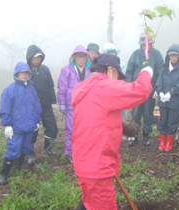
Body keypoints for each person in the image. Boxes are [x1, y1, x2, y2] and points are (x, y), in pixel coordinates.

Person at [71, 53, 153, 209]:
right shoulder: (104, 86)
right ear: (110, 71)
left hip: (84, 161)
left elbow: (94, 120)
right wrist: (146, 72)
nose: (117, 81)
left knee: (88, 201)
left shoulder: (84, 88)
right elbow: (140, 91)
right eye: (117, 75)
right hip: (97, 166)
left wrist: (116, 127)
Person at [0, 62, 42, 185]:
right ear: (16, 74)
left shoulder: (31, 89)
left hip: (28, 126)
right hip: (15, 127)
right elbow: (5, 108)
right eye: (22, 73)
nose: (25, 75)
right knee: (13, 148)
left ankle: (17, 169)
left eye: (27, 72)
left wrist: (36, 120)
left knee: (25, 148)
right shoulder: (9, 90)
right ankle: (3, 174)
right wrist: (7, 125)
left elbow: (36, 106)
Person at [125, 33, 164, 146]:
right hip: (136, 90)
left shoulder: (157, 55)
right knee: (135, 113)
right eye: (143, 44)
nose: (145, 46)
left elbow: (160, 73)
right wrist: (129, 86)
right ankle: (134, 136)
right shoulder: (135, 55)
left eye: (147, 43)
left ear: (152, 43)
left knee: (148, 114)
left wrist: (158, 88)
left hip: (150, 91)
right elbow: (129, 71)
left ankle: (146, 136)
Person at [57, 45, 92, 163]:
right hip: (72, 105)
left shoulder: (91, 70)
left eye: (83, 57)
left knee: (87, 129)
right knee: (71, 130)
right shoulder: (66, 70)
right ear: (74, 58)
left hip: (87, 105)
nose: (81, 59)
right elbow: (62, 87)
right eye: (79, 57)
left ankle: (85, 151)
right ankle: (71, 153)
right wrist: (61, 102)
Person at [26, 45, 58, 165]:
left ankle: (48, 149)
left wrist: (53, 102)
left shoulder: (45, 69)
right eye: (35, 57)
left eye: (40, 57)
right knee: (31, 130)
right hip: (31, 107)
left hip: (45, 105)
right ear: (29, 57)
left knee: (52, 128)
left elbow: (51, 86)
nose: (37, 59)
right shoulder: (25, 70)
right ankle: (31, 154)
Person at [156, 44, 179, 151]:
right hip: (163, 101)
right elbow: (159, 80)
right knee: (163, 121)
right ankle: (162, 143)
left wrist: (170, 93)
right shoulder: (164, 67)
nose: (173, 57)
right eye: (171, 55)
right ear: (168, 56)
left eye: (175, 55)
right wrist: (160, 92)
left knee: (172, 121)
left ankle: (169, 143)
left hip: (175, 102)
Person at [103, 42, 128, 121]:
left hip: (119, 92)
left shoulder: (122, 65)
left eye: (113, 52)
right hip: (106, 94)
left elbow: (123, 78)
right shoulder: (103, 65)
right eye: (110, 53)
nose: (112, 54)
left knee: (120, 112)